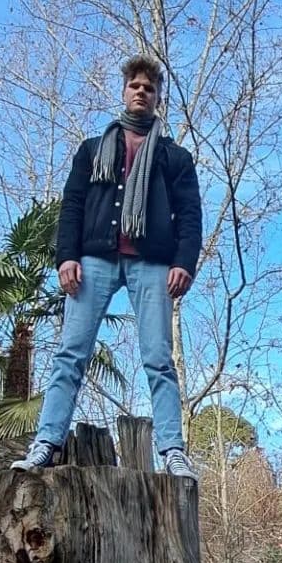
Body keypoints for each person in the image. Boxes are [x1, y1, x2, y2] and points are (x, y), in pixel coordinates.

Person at [14, 55, 201, 479]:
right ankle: (46, 441)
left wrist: (184, 263)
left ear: (157, 99)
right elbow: (73, 206)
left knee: (158, 358)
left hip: (151, 263)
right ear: (124, 92)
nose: (141, 92)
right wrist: (66, 257)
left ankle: (172, 450)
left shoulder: (175, 157)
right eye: (134, 85)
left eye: (149, 88)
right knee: (70, 354)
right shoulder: (93, 149)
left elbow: (190, 215)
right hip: (94, 260)